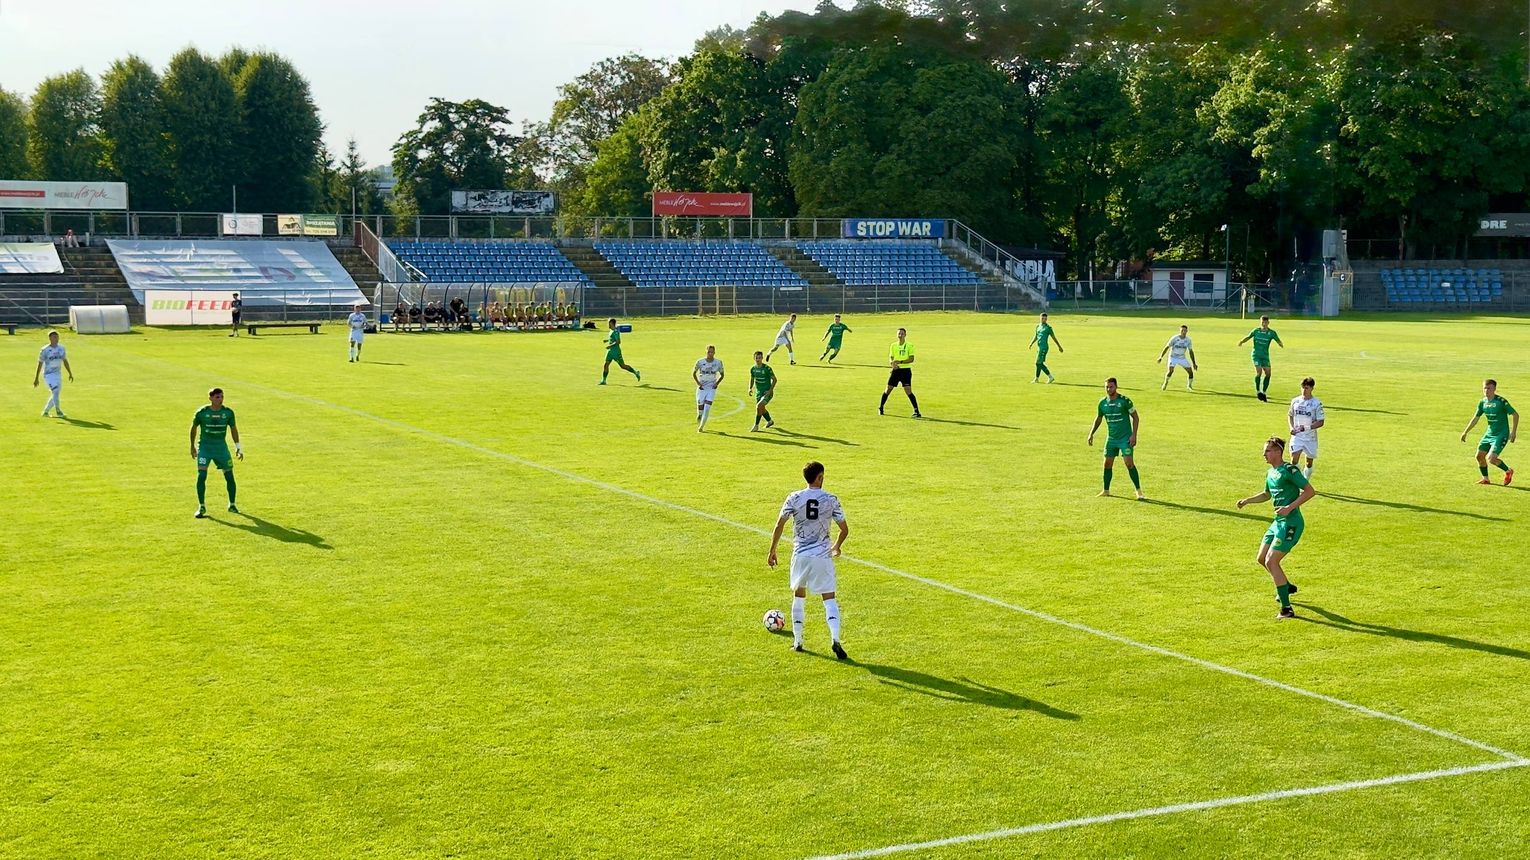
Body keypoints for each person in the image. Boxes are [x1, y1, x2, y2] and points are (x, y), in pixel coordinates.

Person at [767, 460, 850, 659]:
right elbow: (844, 530)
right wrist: (836, 547)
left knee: (799, 596)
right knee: (829, 598)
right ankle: (835, 638)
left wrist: (772, 550)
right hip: (822, 556)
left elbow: (779, 525)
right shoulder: (831, 499)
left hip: (801, 555)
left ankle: (798, 642)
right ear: (819, 477)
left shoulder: (794, 497)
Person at [1237, 436, 1316, 619]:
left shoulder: (1289, 470)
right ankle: (1286, 586)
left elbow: (1310, 491)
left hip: (1291, 523)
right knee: (1261, 558)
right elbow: (1266, 494)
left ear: (1278, 452)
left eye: (1268, 450)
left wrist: (1289, 507)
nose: (1264, 454)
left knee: (1272, 562)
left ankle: (1287, 609)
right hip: (1277, 522)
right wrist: (1247, 501)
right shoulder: (1270, 472)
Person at [190, 387, 243, 518]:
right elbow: (193, 428)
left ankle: (232, 504)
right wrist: (192, 446)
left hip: (221, 449)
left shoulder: (228, 413)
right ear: (211, 398)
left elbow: (234, 429)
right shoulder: (201, 413)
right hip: (205, 449)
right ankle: (201, 506)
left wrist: (238, 447)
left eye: (222, 397)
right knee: (202, 475)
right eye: (217, 397)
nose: (220, 399)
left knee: (229, 476)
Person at [1088, 377, 1143, 499]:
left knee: (1129, 463)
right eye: (1106, 387)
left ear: (1116, 387)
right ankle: (1106, 490)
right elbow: (1099, 418)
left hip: (1125, 439)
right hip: (1111, 439)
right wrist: (1091, 433)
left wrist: (1134, 435)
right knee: (1107, 464)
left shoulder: (1125, 401)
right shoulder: (1102, 403)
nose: (1108, 389)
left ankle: (1139, 491)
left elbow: (1136, 418)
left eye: (1111, 387)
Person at [1460, 379, 1517, 486]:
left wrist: (1513, 432)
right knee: (1479, 456)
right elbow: (1476, 418)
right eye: (1484, 388)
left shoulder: (1501, 402)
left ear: (1494, 389)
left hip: (1501, 434)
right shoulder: (1483, 402)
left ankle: (1508, 471)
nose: (1486, 390)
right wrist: (1465, 432)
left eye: (1489, 388)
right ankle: (1485, 479)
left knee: (1491, 458)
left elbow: (1515, 415)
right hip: (1489, 433)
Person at [1237, 315, 1283, 401]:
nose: (1264, 324)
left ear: (1268, 323)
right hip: (1256, 355)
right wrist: (1241, 341)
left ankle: (1264, 392)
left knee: (1268, 373)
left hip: (1265, 356)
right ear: (1260, 322)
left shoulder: (1271, 333)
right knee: (1259, 371)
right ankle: (1258, 391)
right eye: (1262, 322)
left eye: (1265, 322)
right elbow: (1248, 337)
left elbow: (1277, 339)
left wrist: (1280, 343)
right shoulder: (1256, 331)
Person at [1287, 377, 1325, 478]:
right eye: (1302, 387)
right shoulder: (1295, 401)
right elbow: (1290, 415)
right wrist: (1291, 427)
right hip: (1297, 436)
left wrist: (1307, 427)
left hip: (1310, 438)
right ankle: (1300, 482)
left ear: (1312, 388)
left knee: (1309, 463)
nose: (1304, 390)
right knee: (1294, 460)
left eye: (1306, 388)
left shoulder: (1316, 403)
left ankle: (1306, 479)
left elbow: (1321, 422)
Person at [879, 327, 921, 418]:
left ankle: (916, 411)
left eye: (902, 333)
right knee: (888, 389)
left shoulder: (909, 345)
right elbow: (891, 357)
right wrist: (892, 363)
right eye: (899, 333)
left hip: (905, 371)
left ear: (905, 335)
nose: (900, 335)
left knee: (908, 391)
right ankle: (881, 407)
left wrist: (900, 362)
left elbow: (911, 359)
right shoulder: (893, 345)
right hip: (896, 371)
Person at [33, 329, 74, 418]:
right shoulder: (45, 350)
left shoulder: (61, 348)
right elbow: (40, 363)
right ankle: (58, 411)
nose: (56, 338)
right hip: (48, 375)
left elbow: (65, 361)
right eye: (54, 337)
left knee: (55, 393)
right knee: (55, 391)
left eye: (57, 337)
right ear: (50, 338)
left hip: (57, 374)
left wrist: (70, 373)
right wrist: (36, 378)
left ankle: (45, 412)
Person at [693, 345, 725, 432]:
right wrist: (698, 383)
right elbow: (694, 373)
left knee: (707, 408)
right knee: (700, 407)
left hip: (711, 387)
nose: (710, 354)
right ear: (706, 352)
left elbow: (722, 375)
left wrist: (716, 383)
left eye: (712, 352)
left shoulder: (718, 363)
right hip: (702, 387)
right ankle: (699, 414)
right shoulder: (700, 362)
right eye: (709, 352)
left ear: (714, 352)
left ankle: (701, 427)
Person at [1156, 324, 1198, 390]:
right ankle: (1165, 382)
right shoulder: (1175, 338)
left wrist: (1194, 363)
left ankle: (1189, 385)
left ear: (1187, 331)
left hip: (1182, 358)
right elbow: (1167, 347)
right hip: (1173, 357)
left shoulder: (1188, 340)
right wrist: (1161, 357)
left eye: (1185, 330)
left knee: (1190, 372)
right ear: (1180, 331)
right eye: (1182, 330)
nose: (1183, 332)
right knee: (1171, 371)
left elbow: (1191, 351)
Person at [600, 318, 640, 385]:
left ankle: (636, 372)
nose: (608, 325)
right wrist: (607, 340)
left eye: (609, 323)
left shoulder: (616, 331)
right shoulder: (611, 331)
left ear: (611, 323)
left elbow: (618, 341)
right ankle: (604, 381)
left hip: (616, 352)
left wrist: (610, 346)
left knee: (622, 366)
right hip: (610, 352)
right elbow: (612, 339)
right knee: (606, 365)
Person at [1028, 312, 1063, 383]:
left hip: (1044, 347)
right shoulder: (1038, 326)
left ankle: (1050, 377)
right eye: (1042, 318)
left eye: (1045, 319)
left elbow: (1054, 338)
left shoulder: (1048, 328)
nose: (1044, 320)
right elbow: (1036, 336)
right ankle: (1037, 379)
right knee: (1039, 363)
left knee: (1038, 363)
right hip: (1039, 347)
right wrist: (1031, 343)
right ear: (1040, 318)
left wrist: (1059, 347)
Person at [749, 350, 778, 431]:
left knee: (758, 406)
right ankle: (770, 421)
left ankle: (756, 426)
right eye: (756, 358)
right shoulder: (753, 369)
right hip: (759, 393)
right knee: (761, 409)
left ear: (762, 358)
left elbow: (775, 380)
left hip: (767, 393)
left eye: (759, 358)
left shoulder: (767, 369)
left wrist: (770, 391)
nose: (758, 359)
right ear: (754, 358)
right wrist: (750, 388)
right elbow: (752, 379)